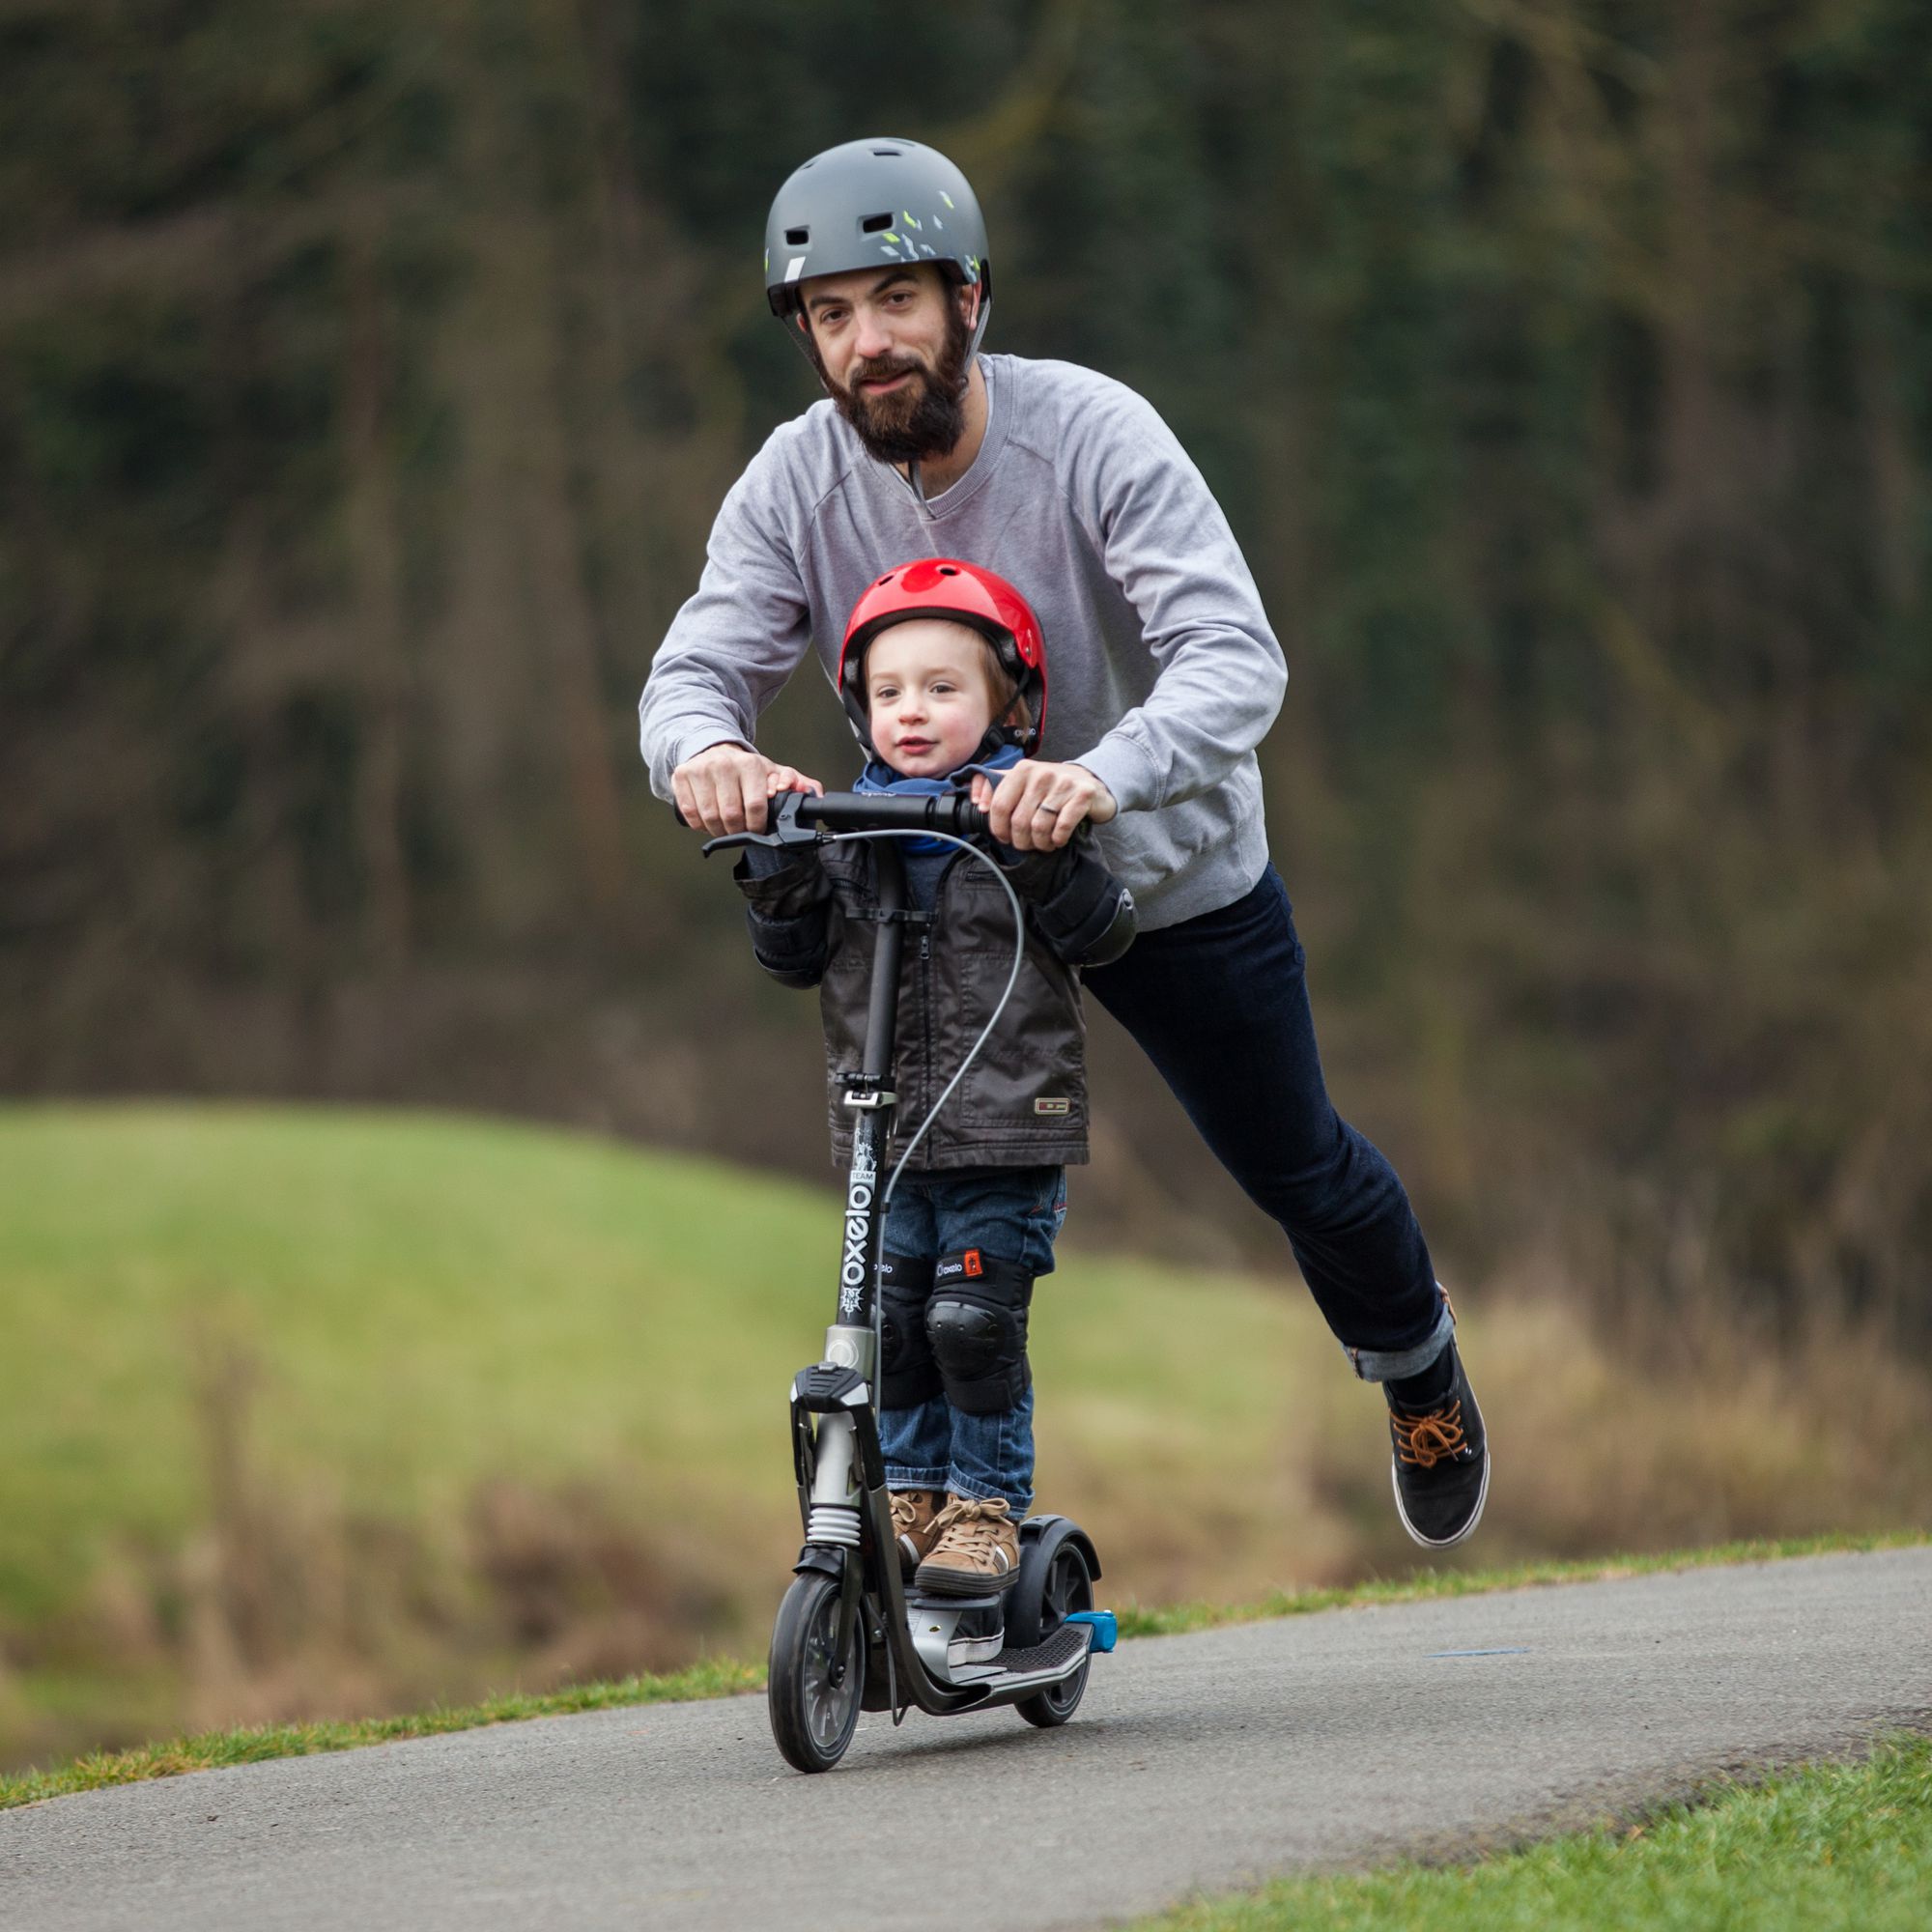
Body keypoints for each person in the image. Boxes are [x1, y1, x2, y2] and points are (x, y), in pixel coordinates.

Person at [640, 136, 1490, 1549]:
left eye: (896, 299)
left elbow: (1234, 658)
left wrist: (1096, 777)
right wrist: (708, 756)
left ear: (970, 298)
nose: (869, 343)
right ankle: (923, 1509)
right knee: (916, 1250)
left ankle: (1417, 1369)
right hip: (941, 900)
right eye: (832, 316)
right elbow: (691, 672)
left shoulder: (1092, 433)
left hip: (1155, 879)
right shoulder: (796, 480)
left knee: (1296, 1163)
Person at [731, 556, 1135, 1593]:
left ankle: (985, 1510)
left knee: (971, 1324)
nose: (912, 710)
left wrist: (1042, 844)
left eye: (942, 687)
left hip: (1005, 1124)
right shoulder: (839, 826)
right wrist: (776, 860)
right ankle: (908, 1491)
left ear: (1005, 699)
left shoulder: (1022, 815)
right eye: (888, 691)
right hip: (889, 1129)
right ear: (860, 708)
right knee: (894, 1325)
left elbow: (1104, 930)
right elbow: (790, 959)